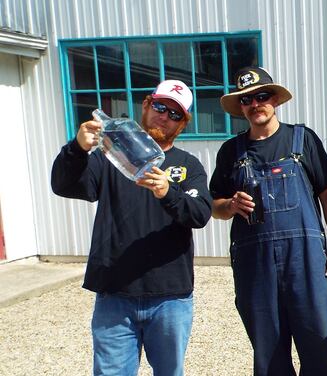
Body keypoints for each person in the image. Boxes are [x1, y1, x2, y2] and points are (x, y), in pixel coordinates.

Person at [51, 80, 212, 376]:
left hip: (170, 298)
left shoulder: (188, 166)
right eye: (160, 107)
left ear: (183, 123)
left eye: (174, 114)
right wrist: (76, 149)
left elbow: (200, 214)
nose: (164, 116)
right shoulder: (110, 157)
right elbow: (64, 185)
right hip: (115, 294)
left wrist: (168, 192)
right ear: (147, 104)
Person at [209, 66, 327, 376]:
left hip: (304, 261)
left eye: (262, 96)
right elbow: (213, 207)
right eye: (247, 99)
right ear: (240, 107)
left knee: (317, 345)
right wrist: (229, 205)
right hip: (254, 264)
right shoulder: (231, 151)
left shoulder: (303, 139)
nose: (255, 103)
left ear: (275, 100)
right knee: (268, 352)